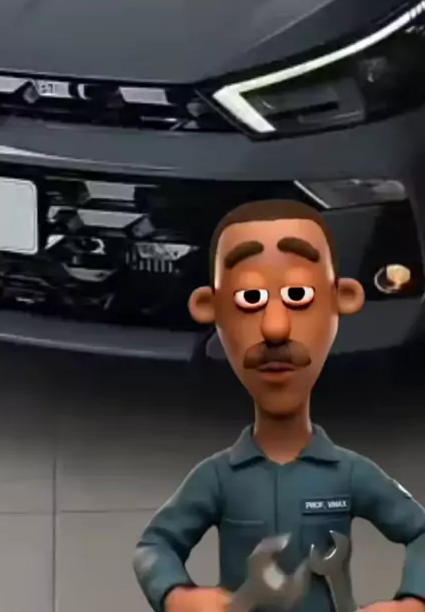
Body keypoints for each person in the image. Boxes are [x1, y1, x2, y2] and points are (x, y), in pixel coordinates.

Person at [133, 199, 425, 612]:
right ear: (210, 308)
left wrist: (412, 601)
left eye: (297, 295)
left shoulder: (351, 474)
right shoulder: (217, 479)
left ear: (341, 299)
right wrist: (177, 595)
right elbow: (153, 546)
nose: (275, 326)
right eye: (250, 296)